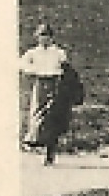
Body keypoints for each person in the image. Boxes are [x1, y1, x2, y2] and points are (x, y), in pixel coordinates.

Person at [20, 23, 81, 165]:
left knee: (53, 118)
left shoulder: (58, 53)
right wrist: (34, 70)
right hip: (40, 84)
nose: (44, 39)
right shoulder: (32, 53)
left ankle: (49, 153)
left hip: (56, 85)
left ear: (52, 38)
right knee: (38, 115)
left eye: (47, 36)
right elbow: (22, 65)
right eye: (41, 36)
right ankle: (35, 141)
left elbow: (67, 70)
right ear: (37, 37)